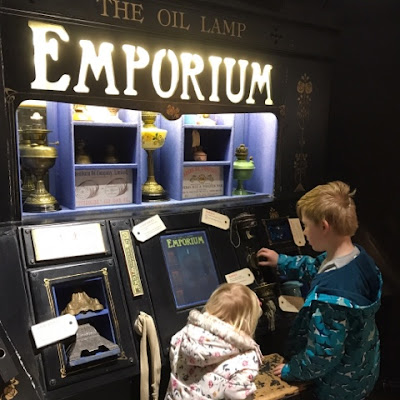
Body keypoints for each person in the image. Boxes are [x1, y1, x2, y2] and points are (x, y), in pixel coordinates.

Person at [257, 180, 382, 400]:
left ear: (324, 226)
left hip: (336, 386)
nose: (304, 232)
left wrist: (291, 370)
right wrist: (282, 261)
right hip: (362, 369)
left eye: (306, 225)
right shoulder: (358, 258)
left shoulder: (332, 300)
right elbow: (317, 266)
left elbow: (322, 356)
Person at [165, 283, 263, 400]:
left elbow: (174, 357)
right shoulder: (247, 358)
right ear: (248, 321)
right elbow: (237, 396)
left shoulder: (185, 334)